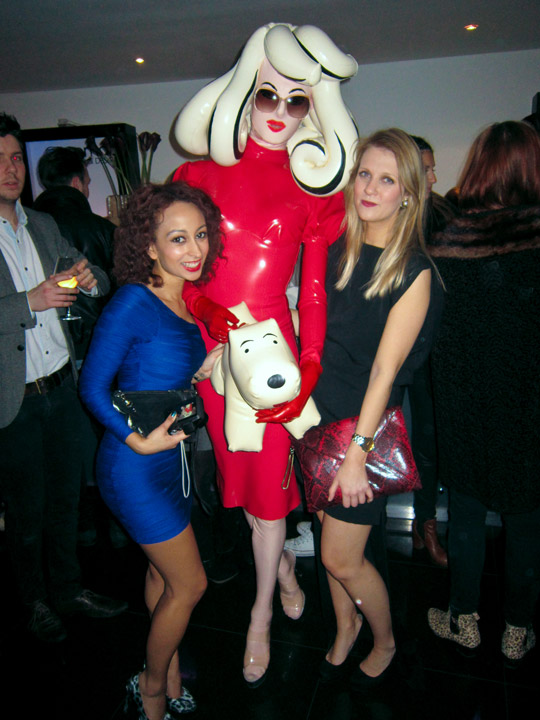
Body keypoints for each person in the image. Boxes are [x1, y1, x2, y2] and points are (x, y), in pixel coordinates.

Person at [172, 23, 358, 687]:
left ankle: (259, 616)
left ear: (314, 108)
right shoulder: (196, 175)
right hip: (215, 354)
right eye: (268, 95)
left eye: (297, 100)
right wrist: (202, 306)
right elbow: (177, 268)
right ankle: (279, 567)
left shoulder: (314, 190)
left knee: (272, 496)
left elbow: (315, 291)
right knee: (243, 488)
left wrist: (309, 366)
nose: (280, 112)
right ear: (246, 94)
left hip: (274, 357)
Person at [79, 182, 225, 720]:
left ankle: (168, 668)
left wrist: (201, 370)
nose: (194, 249)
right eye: (178, 238)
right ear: (149, 245)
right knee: (191, 584)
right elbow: (92, 388)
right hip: (133, 465)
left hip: (168, 460)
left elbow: (158, 374)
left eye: (200, 235)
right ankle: (151, 687)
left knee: (164, 576)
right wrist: (138, 439)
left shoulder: (180, 300)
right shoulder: (133, 301)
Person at [312, 128, 443, 688]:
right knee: (327, 540)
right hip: (319, 419)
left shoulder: (414, 271)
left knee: (341, 558)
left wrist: (357, 456)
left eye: (386, 179)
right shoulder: (337, 249)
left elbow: (385, 374)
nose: (369, 187)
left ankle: (387, 640)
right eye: (364, 173)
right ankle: (346, 628)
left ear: (408, 193)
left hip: (364, 431)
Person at [0, 111, 126, 643]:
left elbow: (91, 276)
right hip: (14, 401)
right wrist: (27, 301)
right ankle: (33, 603)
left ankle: (69, 589)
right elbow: (27, 301)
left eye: (14, 158)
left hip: (61, 386)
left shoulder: (43, 224)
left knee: (65, 502)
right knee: (25, 513)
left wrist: (91, 277)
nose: (10, 169)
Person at [427, 120, 540, 666]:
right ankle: (517, 630)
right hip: (529, 404)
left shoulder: (447, 239)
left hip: (463, 400)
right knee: (527, 518)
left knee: (466, 511)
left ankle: (463, 620)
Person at [406, 135, 453, 567]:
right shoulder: (383, 215)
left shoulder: (445, 216)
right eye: (425, 169)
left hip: (433, 349)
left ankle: (426, 523)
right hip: (387, 348)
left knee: (428, 440)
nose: (434, 177)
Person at [33, 145, 116, 362]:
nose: (87, 190)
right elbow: (121, 288)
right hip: (95, 343)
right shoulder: (102, 228)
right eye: (87, 183)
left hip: (44, 347)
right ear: (77, 183)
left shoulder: (27, 228)